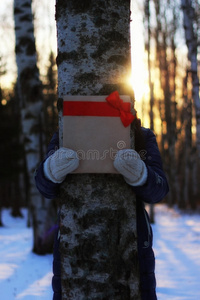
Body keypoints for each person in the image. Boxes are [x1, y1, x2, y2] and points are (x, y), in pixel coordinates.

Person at [35, 117, 169, 300]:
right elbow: (43, 186)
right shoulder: (67, 134)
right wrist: (51, 170)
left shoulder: (141, 135)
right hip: (74, 248)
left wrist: (141, 174)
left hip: (131, 247)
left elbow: (159, 190)